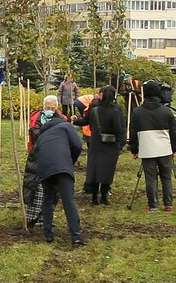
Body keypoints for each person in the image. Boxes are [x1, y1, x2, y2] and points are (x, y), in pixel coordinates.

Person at [31, 96, 84, 245]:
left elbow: (36, 153)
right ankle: (76, 236)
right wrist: (70, 161)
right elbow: (78, 145)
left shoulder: (42, 134)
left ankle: (48, 234)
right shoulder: (66, 126)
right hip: (62, 167)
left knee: (48, 198)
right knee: (68, 201)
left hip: (44, 167)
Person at [129, 81, 176, 211]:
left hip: (146, 148)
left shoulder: (137, 112)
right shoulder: (166, 111)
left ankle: (153, 205)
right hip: (164, 148)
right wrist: (174, 148)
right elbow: (173, 132)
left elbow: (133, 132)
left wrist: (134, 149)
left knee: (150, 178)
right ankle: (168, 204)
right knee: (166, 177)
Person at [75, 86, 126, 204]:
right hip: (111, 144)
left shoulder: (94, 108)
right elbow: (120, 128)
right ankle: (104, 196)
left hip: (95, 143)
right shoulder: (116, 110)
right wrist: (121, 143)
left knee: (94, 169)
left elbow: (85, 120)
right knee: (107, 169)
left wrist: (75, 120)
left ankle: (94, 197)